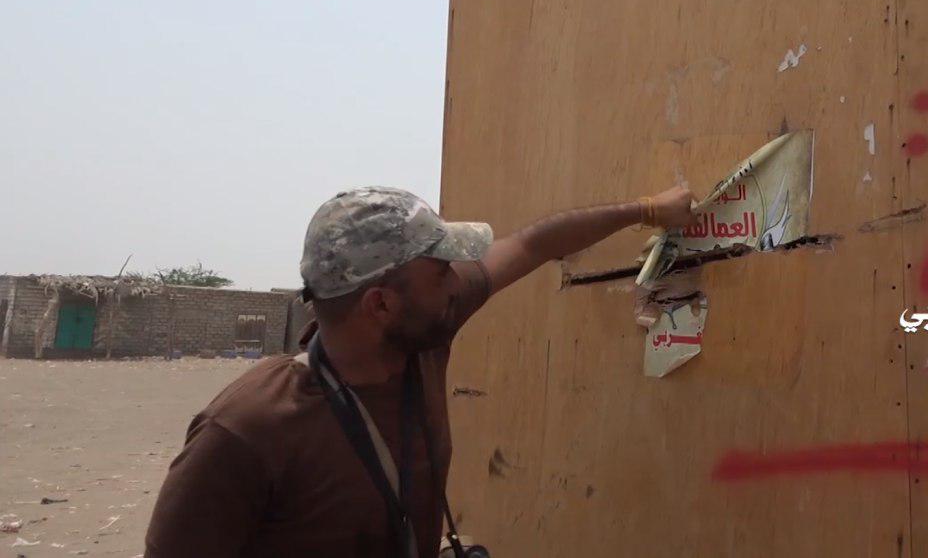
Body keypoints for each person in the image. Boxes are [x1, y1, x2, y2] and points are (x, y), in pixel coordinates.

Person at [144, 185, 696, 557]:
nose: (459, 280)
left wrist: (647, 210)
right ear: (381, 304)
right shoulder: (244, 432)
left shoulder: (423, 335)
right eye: (440, 271)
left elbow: (534, 243)